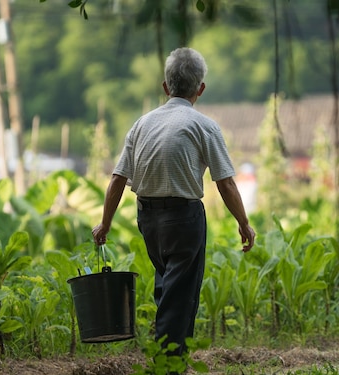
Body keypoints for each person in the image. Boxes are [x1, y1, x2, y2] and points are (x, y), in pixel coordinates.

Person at [92, 47, 255, 356]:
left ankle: (169, 365)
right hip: (184, 219)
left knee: (167, 287)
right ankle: (167, 370)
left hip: (149, 220)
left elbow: (117, 178)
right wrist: (243, 223)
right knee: (181, 294)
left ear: (166, 88)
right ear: (201, 89)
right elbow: (226, 182)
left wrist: (105, 223)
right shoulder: (204, 126)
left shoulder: (141, 125)